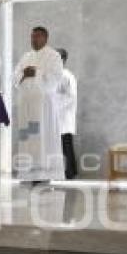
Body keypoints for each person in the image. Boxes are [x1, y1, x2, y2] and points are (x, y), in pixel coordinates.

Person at [13, 27, 65, 182]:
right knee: (27, 137)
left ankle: (43, 174)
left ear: (45, 38)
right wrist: (23, 74)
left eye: (37, 37)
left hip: (42, 106)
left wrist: (36, 73)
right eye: (32, 37)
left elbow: (56, 77)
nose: (33, 40)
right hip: (26, 105)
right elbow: (15, 76)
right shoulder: (26, 56)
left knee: (40, 138)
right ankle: (27, 173)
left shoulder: (54, 56)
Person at [57, 48, 78, 179]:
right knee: (62, 145)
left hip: (63, 115)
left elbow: (71, 96)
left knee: (66, 145)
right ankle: (69, 170)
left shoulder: (66, 76)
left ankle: (70, 172)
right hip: (58, 115)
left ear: (63, 60)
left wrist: (56, 105)